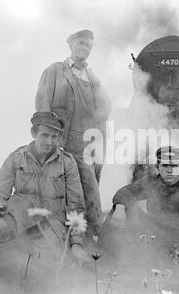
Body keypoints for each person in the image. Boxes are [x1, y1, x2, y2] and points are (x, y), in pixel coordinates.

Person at [0, 112, 89, 266]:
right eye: (45, 135)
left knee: (45, 266)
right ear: (33, 133)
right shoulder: (17, 158)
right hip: (18, 220)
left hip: (52, 227)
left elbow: (76, 207)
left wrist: (76, 244)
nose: (49, 141)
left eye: (54, 136)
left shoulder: (67, 163)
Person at [35, 29, 111, 238]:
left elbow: (105, 110)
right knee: (58, 190)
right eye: (80, 43)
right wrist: (48, 139)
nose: (83, 48)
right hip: (61, 140)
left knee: (90, 191)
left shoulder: (92, 78)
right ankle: (57, 237)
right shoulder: (55, 71)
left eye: (88, 45)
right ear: (70, 46)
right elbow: (42, 107)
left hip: (87, 144)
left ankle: (93, 239)